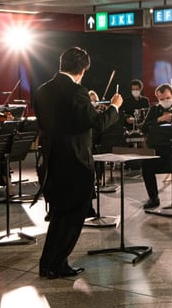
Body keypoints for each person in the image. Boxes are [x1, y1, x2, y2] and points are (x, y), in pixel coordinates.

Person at [34, 47, 123, 279]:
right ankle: (57, 264)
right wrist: (114, 107)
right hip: (75, 162)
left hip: (52, 160)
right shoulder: (76, 91)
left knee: (59, 215)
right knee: (74, 215)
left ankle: (48, 263)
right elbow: (97, 125)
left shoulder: (43, 90)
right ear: (82, 70)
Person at [139, 83, 172, 210]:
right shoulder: (153, 110)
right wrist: (160, 119)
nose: (165, 101)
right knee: (146, 166)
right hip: (157, 149)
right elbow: (144, 127)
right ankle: (153, 198)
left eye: (167, 98)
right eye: (161, 99)